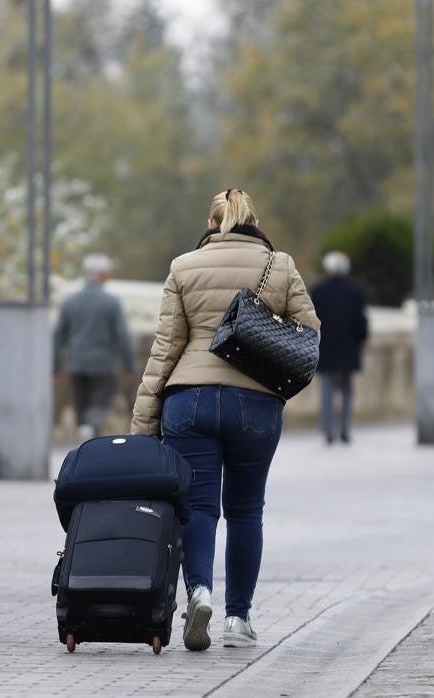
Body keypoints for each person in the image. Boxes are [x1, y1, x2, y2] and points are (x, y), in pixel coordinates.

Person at [130, 189, 320, 651]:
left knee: (197, 507)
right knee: (245, 510)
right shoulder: (281, 266)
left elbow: (166, 349)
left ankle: (199, 593)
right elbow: (310, 333)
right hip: (254, 403)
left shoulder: (183, 267)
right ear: (254, 220)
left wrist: (142, 423)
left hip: (189, 400)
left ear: (211, 224)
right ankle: (238, 619)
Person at [53, 253, 138, 441]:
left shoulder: (70, 301)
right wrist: (131, 365)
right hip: (103, 365)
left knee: (81, 403)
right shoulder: (111, 302)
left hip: (76, 364)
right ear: (103, 274)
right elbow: (123, 336)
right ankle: (91, 429)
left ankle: (85, 431)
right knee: (102, 401)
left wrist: (55, 367)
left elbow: (58, 336)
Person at [309, 251, 369, 445]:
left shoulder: (318, 291)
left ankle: (328, 430)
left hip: (325, 347)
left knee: (326, 390)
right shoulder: (356, 291)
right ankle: (344, 428)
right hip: (348, 347)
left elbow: (312, 320)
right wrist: (360, 340)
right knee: (347, 390)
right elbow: (361, 323)